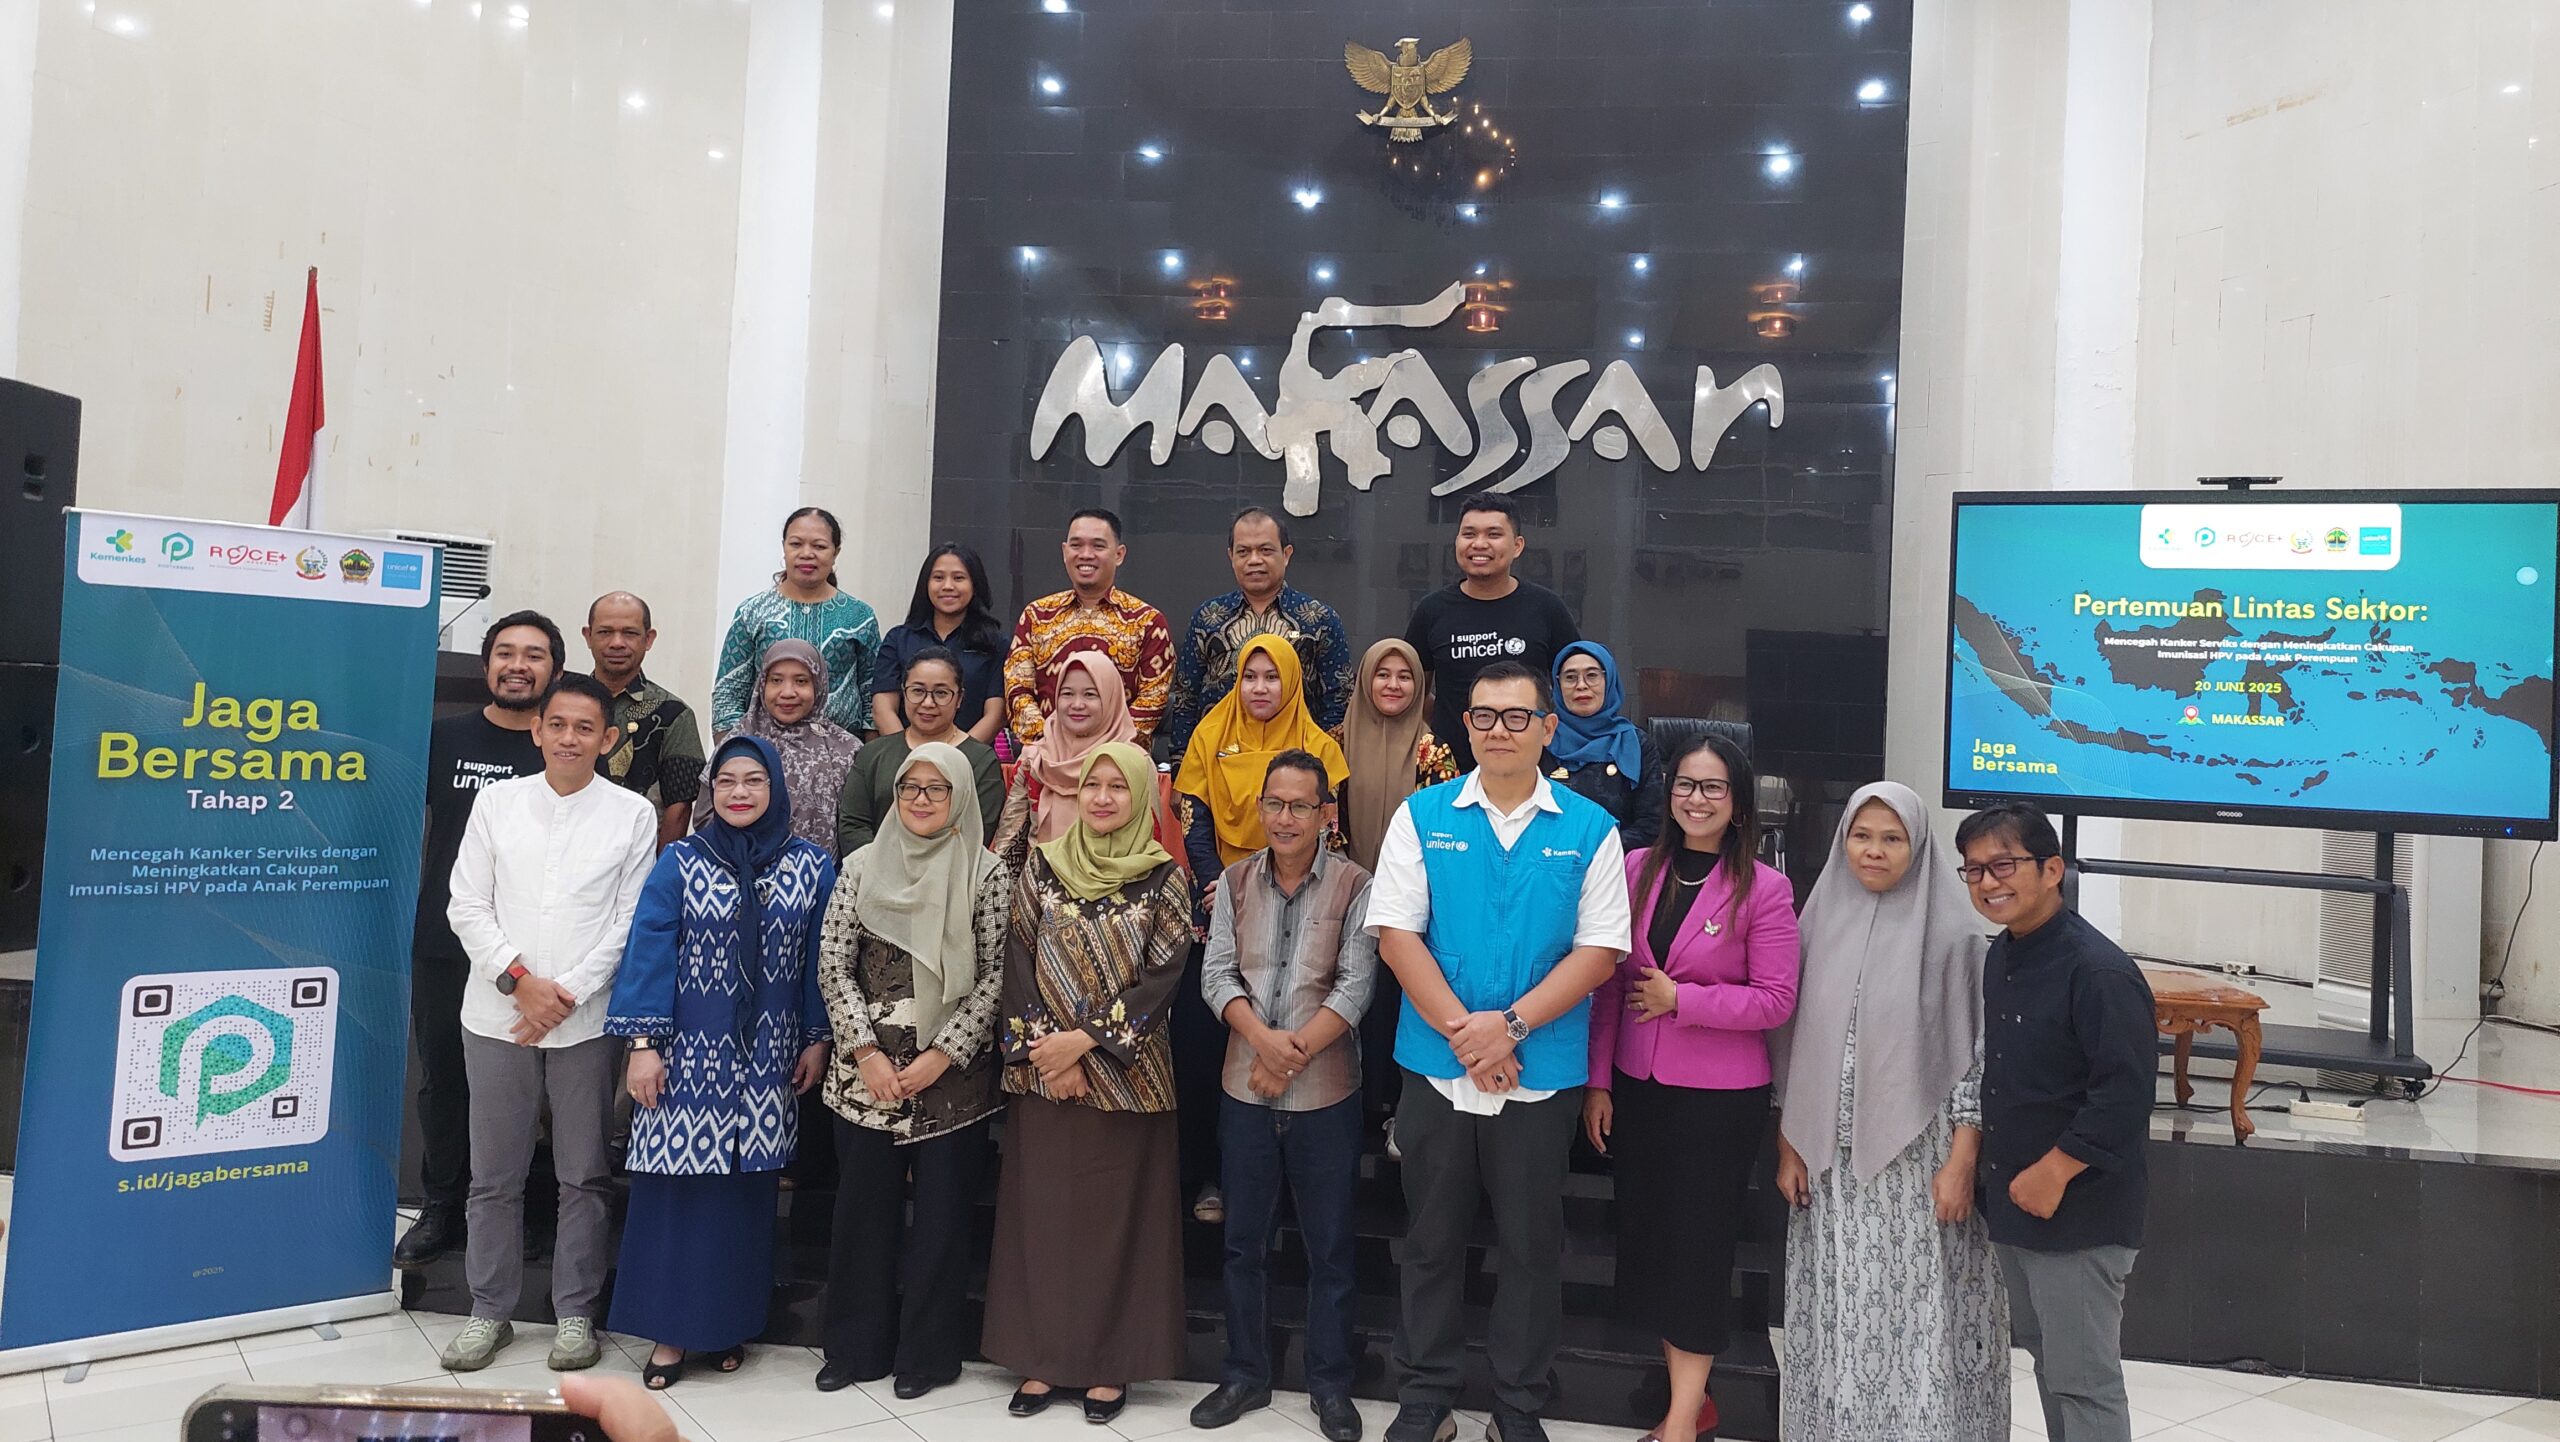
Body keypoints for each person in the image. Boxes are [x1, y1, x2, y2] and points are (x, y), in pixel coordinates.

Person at [1367, 661, 1631, 1442]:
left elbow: (1599, 953)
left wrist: (1507, 1029)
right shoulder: (1422, 815)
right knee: (1430, 1239)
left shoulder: (1590, 829)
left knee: (1531, 1248)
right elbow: (1396, 937)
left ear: (1548, 729)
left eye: (1517, 717)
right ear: (1466, 727)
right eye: (1484, 716)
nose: (1499, 731)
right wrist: (1470, 1036)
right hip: (1436, 1069)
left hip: (1538, 1074)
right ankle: (1427, 1396)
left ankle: (1517, 1405)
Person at [1772, 782, 2007, 1442]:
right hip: (1829, 1169)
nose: (1873, 851)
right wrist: (1789, 1143)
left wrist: (1962, 1162)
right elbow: (1791, 1045)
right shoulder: (1815, 924)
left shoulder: (1957, 937)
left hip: (1921, 1168)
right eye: (1861, 836)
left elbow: (1976, 1060)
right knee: (1839, 1314)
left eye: (1892, 838)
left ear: (1919, 846)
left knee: (1918, 1315)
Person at [440, 673, 659, 1373]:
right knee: (493, 1176)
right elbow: (466, 903)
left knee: (583, 1175)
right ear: (537, 730)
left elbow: (630, 922)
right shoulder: (497, 802)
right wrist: (520, 982)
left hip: (585, 1023)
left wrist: (563, 996)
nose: (569, 738)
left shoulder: (632, 815)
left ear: (608, 738)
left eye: (584, 728)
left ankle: (574, 1315)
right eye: (557, 725)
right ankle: (489, 1311)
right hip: (496, 1015)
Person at [1582, 732, 1798, 1442]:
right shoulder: (1636, 867)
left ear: (1738, 803)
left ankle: (1682, 1419)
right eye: (1684, 785)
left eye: (1712, 788)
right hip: (1639, 1086)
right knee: (1651, 1243)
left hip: (1719, 1100)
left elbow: (1776, 1000)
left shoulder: (1766, 888)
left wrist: (1685, 1000)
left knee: (1699, 1250)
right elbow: (1610, 985)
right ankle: (1688, 1397)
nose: (1695, 799)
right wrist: (1599, 1083)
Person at [605, 736, 837, 1389]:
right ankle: (670, 1335)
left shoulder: (811, 867)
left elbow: (819, 960)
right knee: (677, 1197)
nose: (739, 792)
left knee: (743, 1200)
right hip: (684, 1062)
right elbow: (649, 951)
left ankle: (728, 1325)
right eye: (727, 780)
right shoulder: (682, 861)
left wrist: (816, 1037)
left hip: (767, 1062)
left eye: (754, 780)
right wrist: (643, 1046)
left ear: (775, 788)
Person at [981, 743, 1193, 1424]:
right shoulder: (1043, 864)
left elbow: (1163, 977)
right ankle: (1042, 1358)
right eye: (1092, 785)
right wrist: (1051, 1054)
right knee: (1042, 1221)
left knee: (1118, 1227)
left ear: (1142, 797)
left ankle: (1109, 1365)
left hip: (1129, 1081)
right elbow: (1017, 955)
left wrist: (1085, 1044)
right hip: (1046, 1075)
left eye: (1118, 787)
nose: (1103, 798)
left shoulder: (1165, 878)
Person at [815, 742, 1014, 1398]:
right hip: (864, 1081)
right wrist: (865, 1053)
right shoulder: (860, 866)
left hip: (952, 1085)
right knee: (860, 1219)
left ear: (961, 796)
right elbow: (834, 963)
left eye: (936, 788)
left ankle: (926, 1357)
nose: (921, 799)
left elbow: (995, 978)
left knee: (940, 1225)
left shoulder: (986, 874)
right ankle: (854, 1348)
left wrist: (941, 1055)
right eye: (909, 787)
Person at [1188, 751, 1375, 1442]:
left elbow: (1356, 986)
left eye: (1300, 806)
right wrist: (1264, 1043)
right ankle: (1245, 1373)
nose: (1285, 818)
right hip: (1245, 1090)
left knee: (1330, 1250)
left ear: (1326, 813)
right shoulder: (1236, 881)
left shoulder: (1356, 885)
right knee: (1243, 1244)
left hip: (1326, 1096)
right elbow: (1216, 976)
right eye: (1275, 804)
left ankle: (1331, 1385)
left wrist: (1288, 1057)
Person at [1959, 803, 2153, 1442]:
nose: (1989, 883)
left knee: (2084, 1382)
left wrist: (2055, 1170)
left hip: (2080, 1210)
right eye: (1975, 870)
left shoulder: (2097, 971)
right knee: (2051, 1365)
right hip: (2017, 1202)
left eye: (2004, 865)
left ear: (2052, 870)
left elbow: (2125, 1095)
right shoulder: (2003, 954)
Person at [396, 610, 558, 1270]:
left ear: (554, 669)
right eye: (505, 653)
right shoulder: (442, 738)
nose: (518, 666)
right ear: (486, 663)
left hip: (531, 952)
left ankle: (526, 1209)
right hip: (445, 939)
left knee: (530, 1085)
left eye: (534, 655)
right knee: (444, 1080)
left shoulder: (559, 748)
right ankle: (441, 1205)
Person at [1331, 638, 1461, 1154]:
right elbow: (1327, 820)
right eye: (1382, 674)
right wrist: (1350, 883)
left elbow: (1443, 833)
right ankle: (1346, 1107)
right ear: (1365, 680)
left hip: (1412, 907)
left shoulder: (1434, 751)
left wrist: (1400, 896)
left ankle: (1391, 1111)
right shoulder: (1335, 742)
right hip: (1343, 895)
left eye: (1404, 676)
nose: (1392, 684)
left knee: (1394, 1002)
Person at [1402, 495, 1580, 771]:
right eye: (1469, 534)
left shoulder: (1546, 608)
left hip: (1530, 770)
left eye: (1493, 534)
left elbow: (1573, 688)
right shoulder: (1432, 610)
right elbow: (1414, 694)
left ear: (1517, 546)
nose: (1479, 544)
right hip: (1450, 771)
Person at [1161, 506, 1354, 760]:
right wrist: (1181, 763)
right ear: (1231, 556)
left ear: (1286, 554)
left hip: (1296, 767)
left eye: (1265, 550)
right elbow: (1187, 697)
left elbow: (1339, 699)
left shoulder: (1319, 619)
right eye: (1243, 551)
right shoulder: (1208, 618)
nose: (1254, 560)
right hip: (1216, 763)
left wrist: (1320, 765)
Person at [1175, 633, 1350, 889]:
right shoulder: (1209, 736)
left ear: (1290, 681)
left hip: (1299, 887)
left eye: (1272, 677)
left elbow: (1324, 830)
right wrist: (1220, 885)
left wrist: (1280, 889)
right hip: (1219, 884)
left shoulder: (1320, 748)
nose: (1259, 688)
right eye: (1249, 677)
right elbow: (1194, 820)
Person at [1002, 509, 1173, 747]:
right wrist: (1049, 744)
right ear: (1065, 552)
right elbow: (1017, 689)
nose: (1085, 555)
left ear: (1119, 554)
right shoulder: (1037, 615)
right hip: (1046, 756)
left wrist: (1104, 750)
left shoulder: (1147, 621)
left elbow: (1153, 700)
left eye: (1098, 546)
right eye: (1076, 545)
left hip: (1116, 760)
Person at [712, 507, 882, 733]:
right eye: (796, 544)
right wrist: (738, 749)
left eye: (819, 546)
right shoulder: (752, 612)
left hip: (844, 750)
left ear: (836, 552)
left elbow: (873, 696)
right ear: (784, 547)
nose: (806, 554)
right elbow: (728, 694)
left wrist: (869, 752)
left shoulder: (859, 617)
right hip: (763, 749)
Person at [836, 647, 1004, 856]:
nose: (928, 703)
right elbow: (853, 825)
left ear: (959, 698)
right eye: (917, 691)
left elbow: (977, 832)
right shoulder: (874, 754)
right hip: (874, 869)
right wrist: (883, 866)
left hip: (953, 872)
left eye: (941, 693)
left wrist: (924, 868)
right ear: (903, 692)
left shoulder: (980, 760)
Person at [585, 591, 705, 849]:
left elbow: (679, 808)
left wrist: (660, 868)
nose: (617, 643)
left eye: (630, 633)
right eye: (605, 632)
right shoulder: (564, 706)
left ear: (648, 639)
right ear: (588, 636)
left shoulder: (674, 713)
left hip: (640, 855)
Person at [719, 640, 863, 854]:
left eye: (801, 681)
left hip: (820, 871)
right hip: (740, 866)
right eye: (776, 680)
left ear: (819, 685)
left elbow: (856, 827)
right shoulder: (738, 743)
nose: (787, 692)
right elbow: (706, 817)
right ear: (762, 685)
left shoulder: (846, 750)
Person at [990, 645, 1137, 852]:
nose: (1077, 704)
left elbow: (1147, 839)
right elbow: (1009, 841)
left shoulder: (1133, 763)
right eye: (1067, 694)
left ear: (1111, 698)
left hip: (1115, 871)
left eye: (1090, 695)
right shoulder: (1035, 758)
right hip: (1041, 870)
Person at [873, 543, 1007, 743]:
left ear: (975, 585)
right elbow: (883, 708)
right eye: (938, 577)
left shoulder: (996, 644)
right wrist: (909, 754)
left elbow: (995, 715)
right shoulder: (898, 639)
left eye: (958, 578)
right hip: (905, 756)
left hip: (969, 757)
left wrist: (953, 756)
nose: (948, 586)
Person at [1545, 642, 1661, 851]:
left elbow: (1651, 825)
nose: (1581, 685)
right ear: (1557, 685)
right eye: (1570, 677)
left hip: (1616, 861)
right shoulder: (1541, 739)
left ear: (1609, 681)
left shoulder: (1637, 743)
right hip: (1545, 859)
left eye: (1592, 675)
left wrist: (1591, 852)